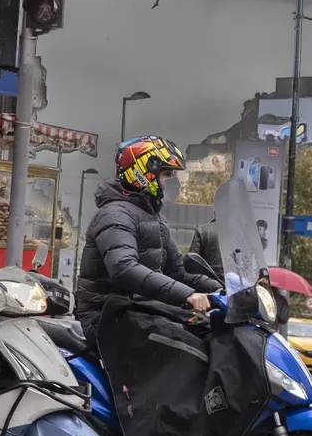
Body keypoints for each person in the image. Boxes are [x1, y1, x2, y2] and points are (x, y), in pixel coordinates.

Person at [74, 136, 221, 335]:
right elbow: (124, 268)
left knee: (207, 333)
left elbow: (178, 272)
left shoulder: (153, 218)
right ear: (143, 173)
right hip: (108, 319)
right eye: (167, 174)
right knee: (187, 349)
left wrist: (222, 290)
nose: (171, 182)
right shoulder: (115, 215)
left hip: (139, 312)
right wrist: (188, 295)